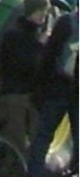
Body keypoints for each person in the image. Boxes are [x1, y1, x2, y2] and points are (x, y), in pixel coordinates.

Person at [0, 0, 50, 155]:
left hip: (33, 94)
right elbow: (24, 64)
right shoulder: (15, 34)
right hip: (16, 93)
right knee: (16, 140)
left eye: (45, 12)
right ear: (31, 11)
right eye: (41, 12)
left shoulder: (35, 32)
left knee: (38, 138)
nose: (43, 16)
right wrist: (40, 45)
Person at [26, 10, 79, 177]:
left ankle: (35, 173)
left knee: (43, 135)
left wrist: (40, 87)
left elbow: (49, 55)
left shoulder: (65, 22)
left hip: (59, 87)